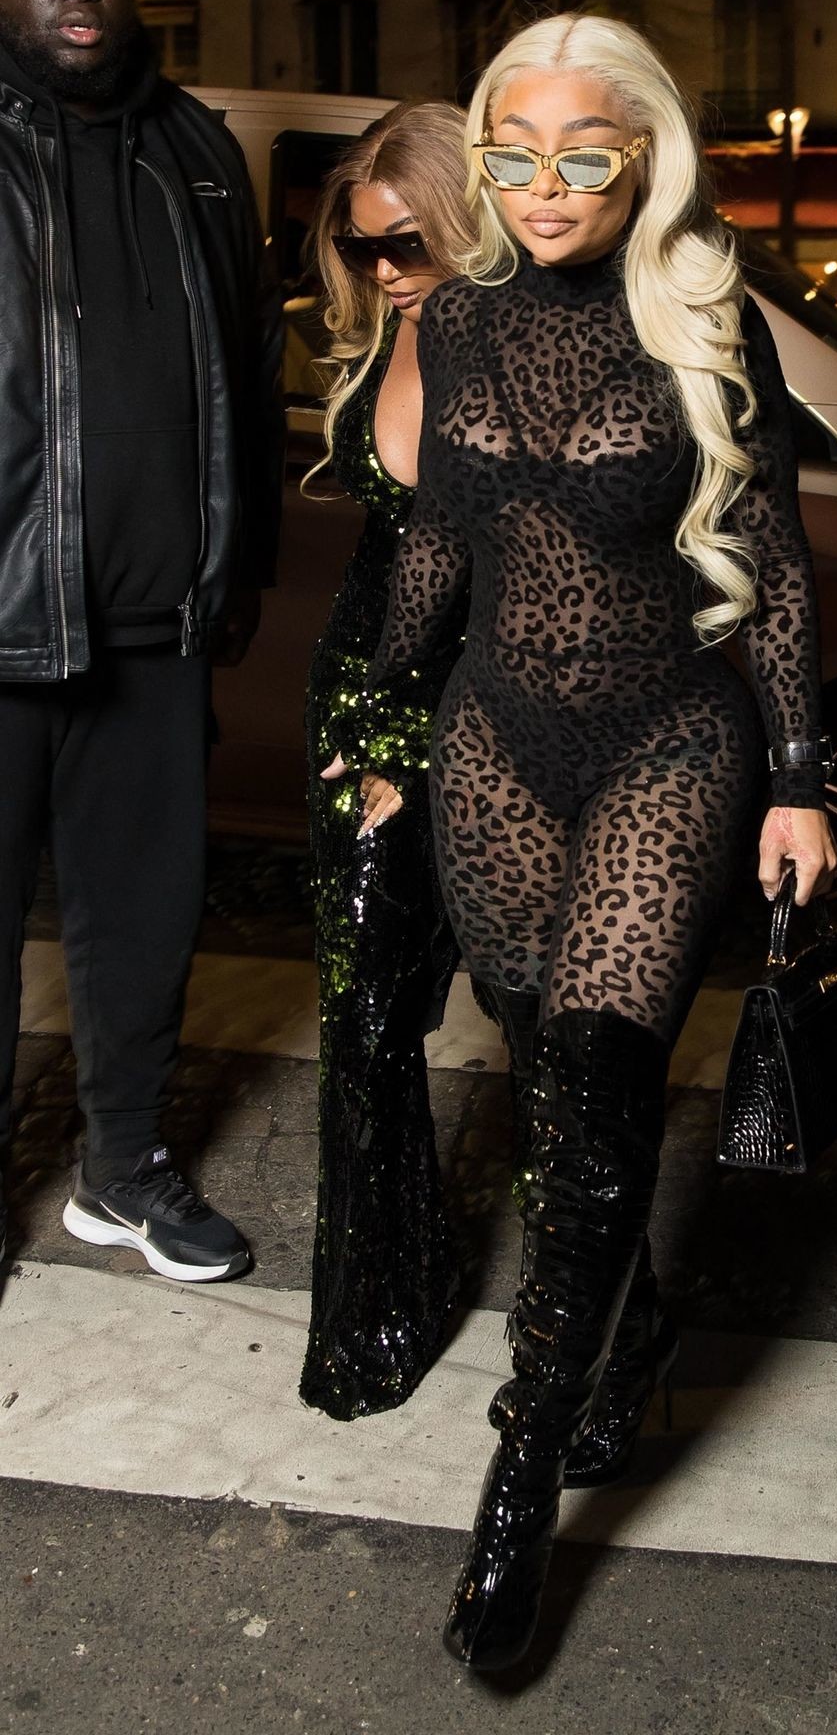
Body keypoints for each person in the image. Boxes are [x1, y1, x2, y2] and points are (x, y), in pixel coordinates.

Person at [341, 11, 837, 1668]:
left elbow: (773, 556)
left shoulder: (705, 313)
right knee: (554, 1093)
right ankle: (627, 1339)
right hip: (495, 742)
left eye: (581, 154)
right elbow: (439, 539)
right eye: (511, 153)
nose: (542, 187)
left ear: (645, 156)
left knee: (604, 1081)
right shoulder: (464, 315)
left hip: (663, 744)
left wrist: (797, 779)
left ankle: (516, 1500)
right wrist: (378, 724)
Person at [0, 0, 283, 1280]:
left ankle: (123, 1172)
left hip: (157, 624)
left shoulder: (197, 150)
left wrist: (240, 572)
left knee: (145, 924)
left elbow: (251, 368)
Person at [299, 102, 474, 1417]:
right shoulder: (384, 335)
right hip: (359, 700)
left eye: (406, 243)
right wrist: (368, 729)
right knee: (363, 1019)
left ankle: (606, 1324)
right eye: (363, 248)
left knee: (553, 1034)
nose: (384, 270)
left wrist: (415, 740)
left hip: (487, 712)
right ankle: (381, 1307)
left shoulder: (534, 343)